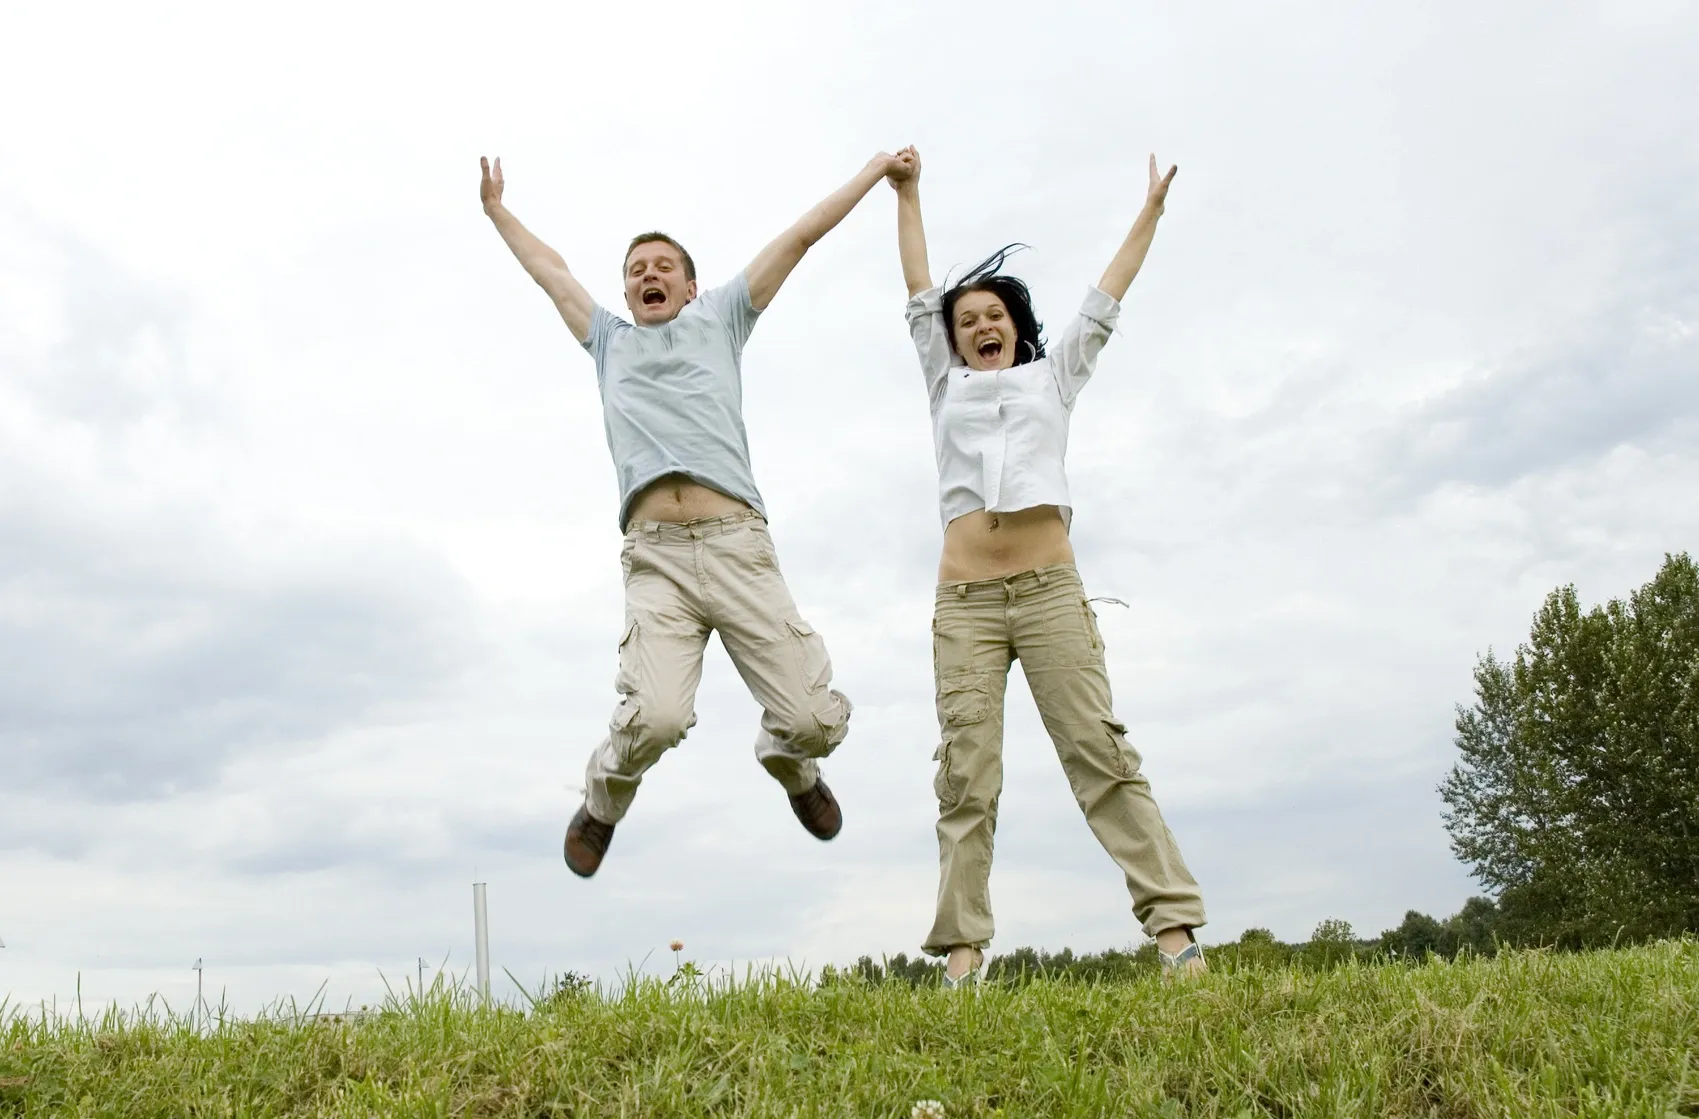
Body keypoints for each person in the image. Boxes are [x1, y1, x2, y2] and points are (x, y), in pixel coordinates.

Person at [480, 150, 906, 877]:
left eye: (661, 266)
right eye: (635, 269)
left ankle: (788, 762)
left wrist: (873, 173)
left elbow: (800, 237)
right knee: (656, 715)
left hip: (737, 546)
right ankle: (602, 802)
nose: (647, 276)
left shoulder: (722, 318)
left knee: (812, 720)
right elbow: (550, 270)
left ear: (689, 283)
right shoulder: (609, 341)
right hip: (657, 561)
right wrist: (497, 213)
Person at [885, 147, 1208, 982]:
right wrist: (910, 191)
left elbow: (1105, 299)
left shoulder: (1051, 379)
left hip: (1048, 593)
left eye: (993, 315)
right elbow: (918, 289)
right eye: (967, 323)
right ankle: (961, 959)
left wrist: (1150, 213)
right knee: (966, 773)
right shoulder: (943, 386)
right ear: (953, 342)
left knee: (1097, 752)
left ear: (1014, 326)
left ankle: (1174, 935)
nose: (979, 326)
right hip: (965, 602)